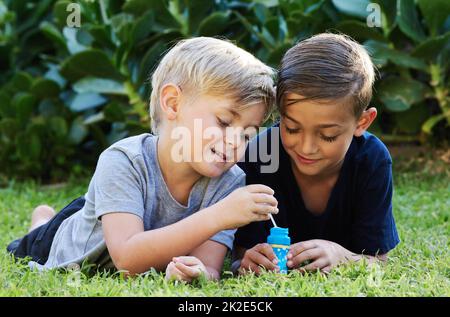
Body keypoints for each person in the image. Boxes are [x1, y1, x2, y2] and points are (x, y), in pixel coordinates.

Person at [7, 37, 279, 282]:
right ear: (173, 103)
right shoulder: (124, 160)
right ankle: (42, 219)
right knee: (31, 244)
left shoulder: (229, 184)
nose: (235, 142)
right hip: (70, 239)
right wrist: (221, 215)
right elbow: (127, 259)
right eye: (223, 122)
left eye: (247, 135)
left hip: (119, 207)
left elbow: (210, 268)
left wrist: (196, 272)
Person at [232, 33, 400, 275]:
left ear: (362, 122)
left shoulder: (371, 160)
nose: (307, 147)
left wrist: (342, 257)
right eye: (291, 128)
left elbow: (378, 260)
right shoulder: (261, 154)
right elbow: (241, 252)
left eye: (328, 135)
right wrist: (248, 259)